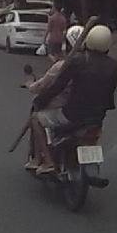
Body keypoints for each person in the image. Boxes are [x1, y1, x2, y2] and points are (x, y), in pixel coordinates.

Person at [28, 25, 117, 175]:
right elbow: (110, 91)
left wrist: (40, 101)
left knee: (36, 119)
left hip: (72, 115)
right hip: (97, 118)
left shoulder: (78, 61)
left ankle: (49, 162)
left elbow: (57, 86)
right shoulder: (114, 66)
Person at [23, 26, 84, 171]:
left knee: (35, 119)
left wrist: (30, 85)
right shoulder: (94, 65)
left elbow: (42, 85)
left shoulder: (62, 67)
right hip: (90, 113)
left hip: (64, 111)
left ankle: (47, 161)